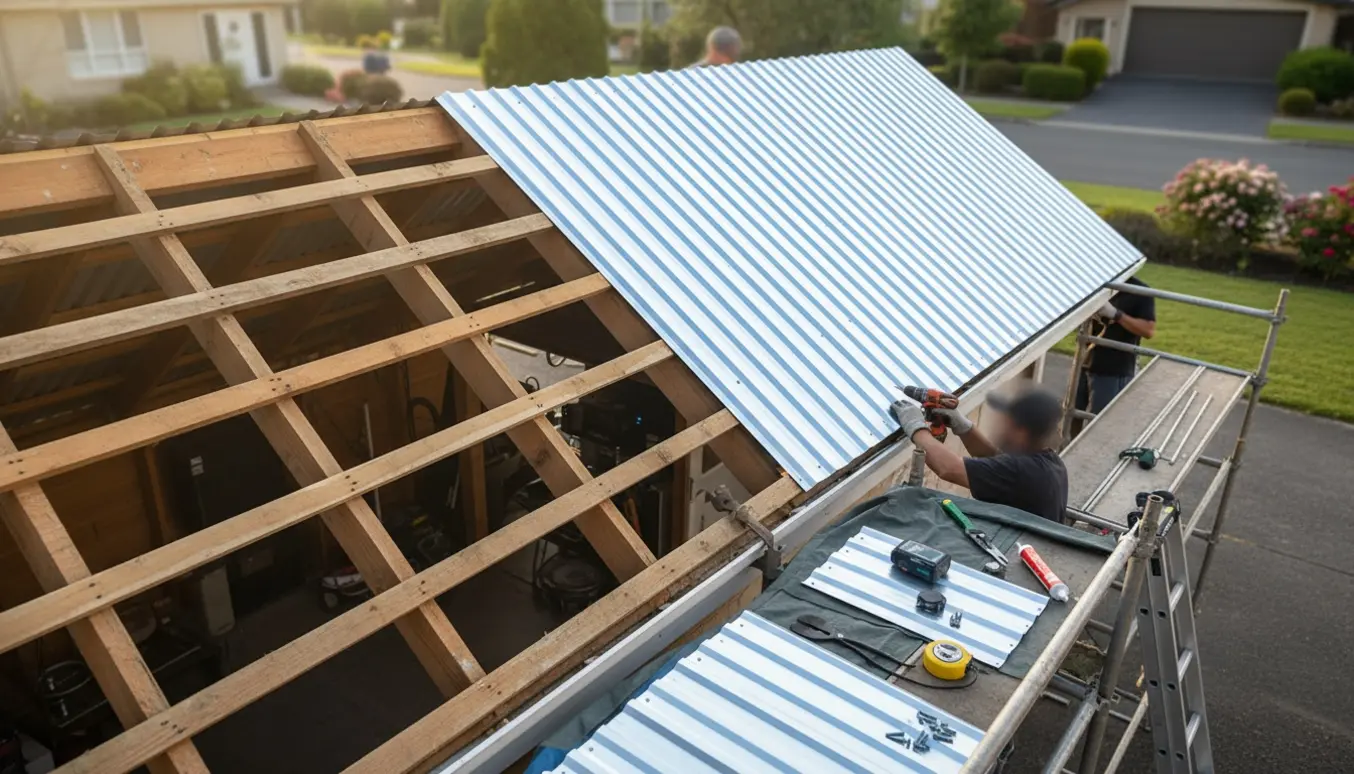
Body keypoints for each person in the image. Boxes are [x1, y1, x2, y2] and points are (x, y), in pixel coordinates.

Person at [891, 386, 1068, 523]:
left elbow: (948, 468)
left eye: (1007, 421)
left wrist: (915, 427)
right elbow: (996, 463)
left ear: (1021, 431)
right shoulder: (1051, 463)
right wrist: (963, 427)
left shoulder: (1021, 472)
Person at [1076, 276, 1156, 425]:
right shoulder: (1097, 282)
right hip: (1085, 361)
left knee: (1100, 423)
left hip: (1113, 368)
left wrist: (1116, 315)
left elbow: (1148, 330)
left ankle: (1094, 449)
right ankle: (1068, 447)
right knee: (1072, 414)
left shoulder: (1139, 291)